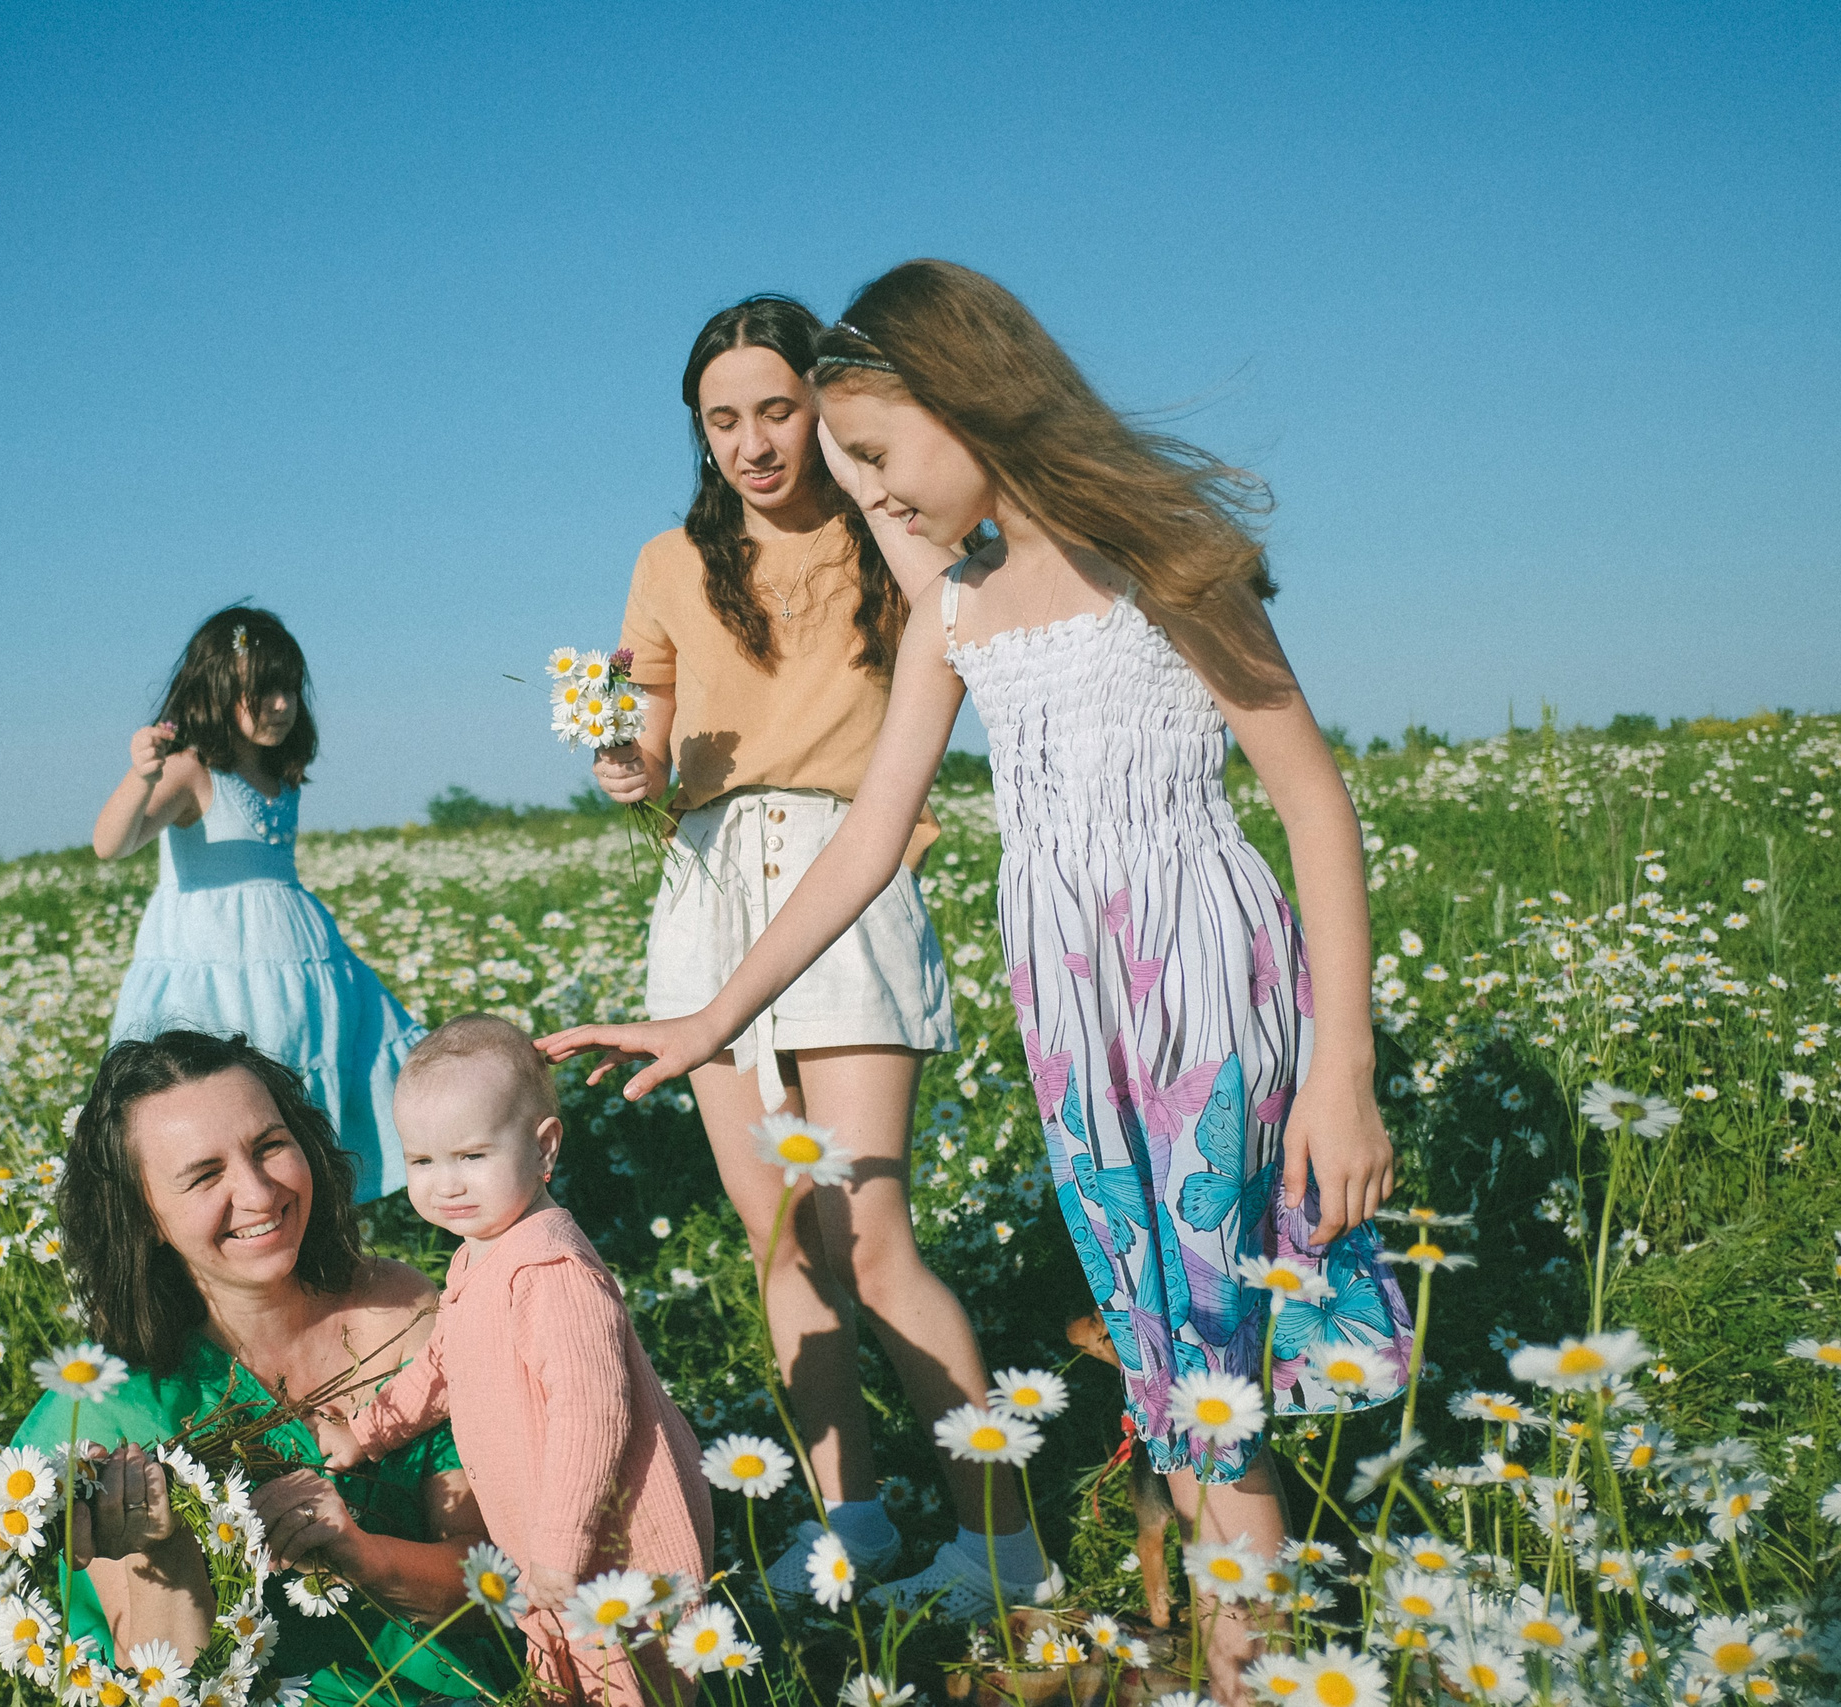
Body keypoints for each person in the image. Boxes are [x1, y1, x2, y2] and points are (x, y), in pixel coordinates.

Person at [542, 261, 1413, 1702]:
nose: (871, 495)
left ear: (970, 400)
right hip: (1071, 1017)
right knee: (1164, 1357)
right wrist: (711, 1015)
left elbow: (1316, 803)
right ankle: (1233, 1647)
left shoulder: (1160, 557)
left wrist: (1344, 1068)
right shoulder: (957, 610)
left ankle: (1254, 1664)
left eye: (875, 456)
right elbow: (869, 842)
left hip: (1202, 982)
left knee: (1217, 1362)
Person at [582, 295, 1042, 1614]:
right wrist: (630, 762)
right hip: (708, 882)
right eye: (721, 420)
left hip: (847, 866)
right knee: (781, 1235)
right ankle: (852, 1522)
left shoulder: (884, 527)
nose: (751, 441)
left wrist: (874, 493)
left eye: (775, 409)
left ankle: (1005, 1538)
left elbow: (964, 641)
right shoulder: (669, 561)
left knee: (872, 1228)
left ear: (821, 405)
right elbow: (652, 736)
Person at [16, 1031, 513, 1707]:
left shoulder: (406, 1311)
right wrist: (156, 1555)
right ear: (144, 1216)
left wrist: (364, 1556)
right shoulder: (114, 1412)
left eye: (269, 1145)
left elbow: (490, 1578)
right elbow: (163, 1677)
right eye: (203, 1174)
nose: (257, 1192)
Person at [316, 1016, 711, 1706]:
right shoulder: (478, 1253)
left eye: (472, 1155)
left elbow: (593, 1415)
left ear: (544, 1147)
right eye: (422, 1161)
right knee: (571, 1670)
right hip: (545, 1536)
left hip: (610, 1537)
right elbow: (443, 1362)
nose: (446, 1184)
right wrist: (367, 1431)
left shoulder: (552, 1271)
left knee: (629, 1675)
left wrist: (562, 1542)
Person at [93, 606, 421, 1201]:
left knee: (305, 1080)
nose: (280, 704)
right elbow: (111, 844)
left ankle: (315, 1215)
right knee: (222, 1093)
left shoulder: (280, 776)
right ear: (218, 691)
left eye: (289, 690)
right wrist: (140, 777)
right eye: (261, 691)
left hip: (303, 960)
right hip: (212, 965)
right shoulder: (191, 770)